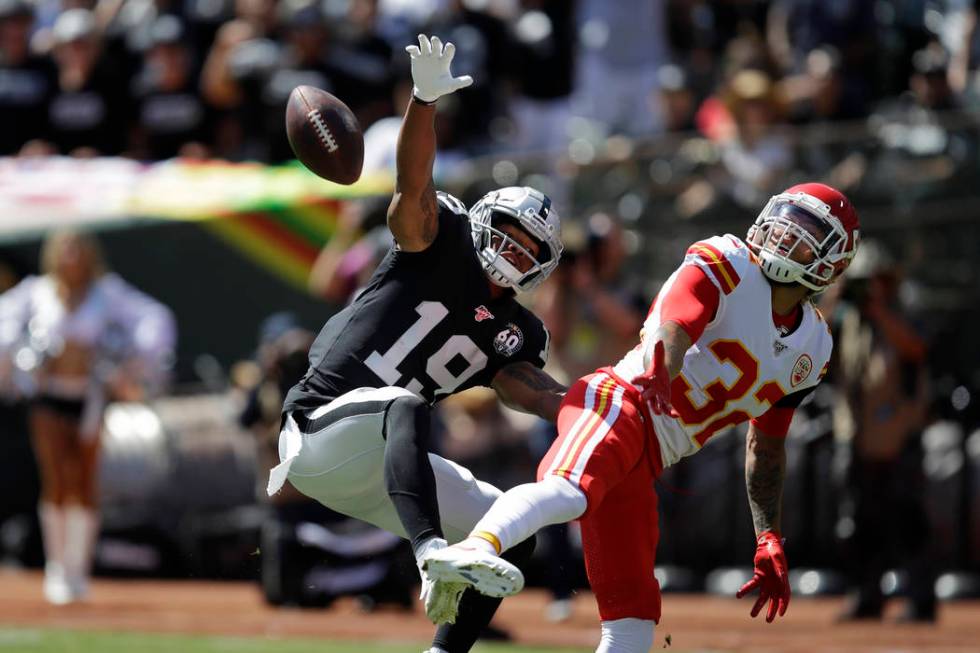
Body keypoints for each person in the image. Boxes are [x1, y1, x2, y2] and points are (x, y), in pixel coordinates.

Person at [424, 183, 861, 651]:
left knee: (632, 620)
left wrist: (768, 534)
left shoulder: (813, 349)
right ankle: (475, 549)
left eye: (807, 228)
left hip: (650, 459)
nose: (786, 230)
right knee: (571, 492)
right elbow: (679, 320)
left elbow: (767, 445)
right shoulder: (729, 260)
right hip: (620, 402)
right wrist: (662, 372)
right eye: (786, 216)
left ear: (833, 260)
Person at [266, 34, 567, 653]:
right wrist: (424, 102)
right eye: (509, 233)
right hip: (322, 427)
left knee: (512, 530)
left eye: (529, 248)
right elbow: (412, 184)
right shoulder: (439, 235)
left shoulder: (519, 330)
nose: (515, 250)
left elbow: (531, 390)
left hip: (387, 469)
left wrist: (599, 405)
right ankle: (430, 556)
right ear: (484, 219)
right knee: (401, 404)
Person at [0, 229, 176, 605]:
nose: (70, 256)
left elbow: (153, 319)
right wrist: (18, 364)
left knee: (83, 479)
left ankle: (78, 570)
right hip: (49, 398)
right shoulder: (37, 292)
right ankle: (57, 569)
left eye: (77, 248)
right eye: (64, 249)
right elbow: (5, 324)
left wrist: (133, 366)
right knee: (56, 478)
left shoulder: (106, 293)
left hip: (90, 398)